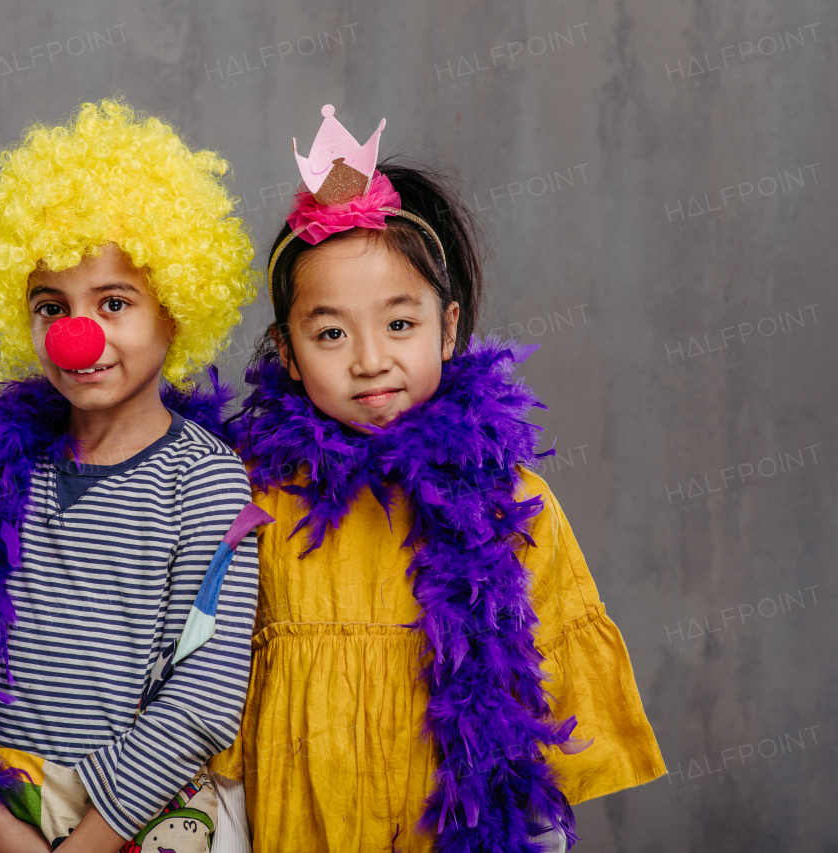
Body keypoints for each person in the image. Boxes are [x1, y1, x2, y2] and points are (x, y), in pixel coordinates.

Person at [207, 105, 666, 853]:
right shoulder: (253, 501)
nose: (369, 359)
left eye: (399, 324)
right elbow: (216, 705)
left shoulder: (509, 501)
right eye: (330, 332)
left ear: (447, 329)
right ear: (286, 353)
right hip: (296, 820)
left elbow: (540, 698)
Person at [0, 98, 269, 853]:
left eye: (115, 302)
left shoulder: (204, 480)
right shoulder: (5, 467)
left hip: (140, 813)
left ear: (175, 310)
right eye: (52, 306)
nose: (79, 337)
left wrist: (88, 841)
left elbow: (206, 699)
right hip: (4, 806)